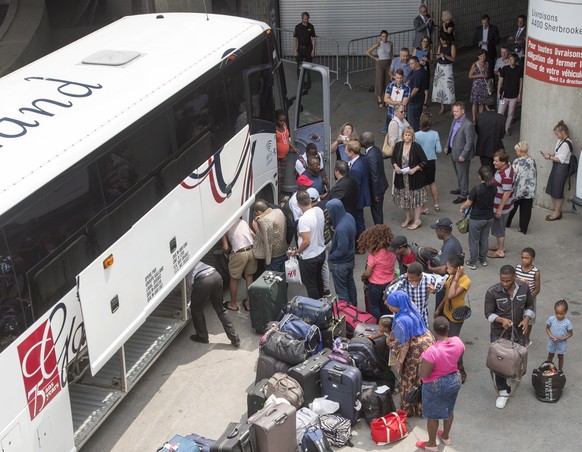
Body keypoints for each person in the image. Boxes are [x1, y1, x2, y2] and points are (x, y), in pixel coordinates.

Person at [484, 264, 534, 409]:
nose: (505, 283)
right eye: (502, 281)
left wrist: (526, 319)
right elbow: (488, 314)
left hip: (518, 332)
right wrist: (501, 320)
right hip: (499, 334)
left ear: (514, 278)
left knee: (516, 358)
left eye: (508, 281)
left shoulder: (524, 287)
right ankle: (503, 391)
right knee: (499, 362)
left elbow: (530, 305)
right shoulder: (492, 292)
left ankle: (512, 374)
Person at [415, 316, 464, 452]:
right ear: (448, 329)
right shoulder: (458, 342)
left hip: (435, 384)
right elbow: (458, 357)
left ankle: (431, 444)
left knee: (432, 416)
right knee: (449, 410)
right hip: (454, 379)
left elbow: (423, 374)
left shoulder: (431, 352)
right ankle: (446, 436)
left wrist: (421, 363)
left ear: (433, 332)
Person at [385, 290, 435, 416]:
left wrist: (391, 345)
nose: (387, 305)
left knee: (408, 378)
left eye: (389, 304)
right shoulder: (411, 306)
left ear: (397, 307)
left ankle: (407, 410)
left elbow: (401, 343)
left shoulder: (402, 321)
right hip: (427, 341)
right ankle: (422, 408)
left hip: (415, 349)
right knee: (422, 378)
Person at [433, 255, 470, 382]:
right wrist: (438, 309)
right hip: (447, 311)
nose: (447, 269)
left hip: (456, 315)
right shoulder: (451, 277)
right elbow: (446, 296)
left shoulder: (465, 281)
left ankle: (461, 367)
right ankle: (447, 364)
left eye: (449, 268)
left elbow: (451, 294)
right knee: (444, 339)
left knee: (454, 342)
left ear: (458, 269)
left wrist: (457, 278)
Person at [188, 262, 240, 346]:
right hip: (216, 276)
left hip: (203, 281)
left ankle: (202, 337)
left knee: (196, 310)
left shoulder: (186, 269)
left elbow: (191, 285)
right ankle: (235, 338)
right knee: (220, 309)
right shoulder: (197, 260)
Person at [386, 262, 446, 328]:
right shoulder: (403, 279)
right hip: (406, 316)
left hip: (422, 314)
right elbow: (389, 291)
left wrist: (434, 290)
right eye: (408, 276)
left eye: (412, 277)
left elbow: (442, 281)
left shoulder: (429, 279)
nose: (409, 279)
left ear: (420, 275)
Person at [290, 190, 326, 299]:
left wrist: (296, 251)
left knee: (310, 285)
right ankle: (322, 302)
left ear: (298, 204)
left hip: (309, 257)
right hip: (321, 252)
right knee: (318, 279)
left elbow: (306, 241)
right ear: (310, 200)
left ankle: (315, 308)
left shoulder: (303, 220)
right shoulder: (318, 210)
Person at [391, 127, 428, 230]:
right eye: (405, 135)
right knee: (404, 199)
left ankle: (417, 220)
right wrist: (396, 166)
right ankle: (408, 217)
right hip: (401, 178)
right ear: (402, 136)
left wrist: (415, 169)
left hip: (414, 179)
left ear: (412, 136)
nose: (407, 137)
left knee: (416, 200)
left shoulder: (416, 147)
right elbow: (393, 158)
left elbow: (424, 161)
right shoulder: (398, 145)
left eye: (409, 135)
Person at [460, 166, 496, 269]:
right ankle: (483, 259)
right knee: (484, 239)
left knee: (474, 241)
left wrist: (462, 207)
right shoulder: (494, 187)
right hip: (489, 218)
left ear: (480, 176)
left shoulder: (477, 188)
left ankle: (472, 262)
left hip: (477, 219)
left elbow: (468, 202)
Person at [358, 224, 396, 320]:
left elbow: (368, 273)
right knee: (385, 304)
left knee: (373, 305)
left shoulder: (374, 255)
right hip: (390, 282)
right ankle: (388, 321)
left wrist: (363, 276)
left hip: (375, 284)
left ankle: (380, 322)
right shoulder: (392, 251)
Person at [542, 120, 574, 221]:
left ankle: (557, 213)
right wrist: (551, 154)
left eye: (557, 133)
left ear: (562, 132)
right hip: (557, 167)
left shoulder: (566, 144)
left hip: (562, 168)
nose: (556, 135)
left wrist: (549, 157)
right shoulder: (561, 141)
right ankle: (556, 211)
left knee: (557, 191)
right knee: (553, 189)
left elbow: (561, 159)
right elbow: (558, 154)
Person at [444, 102, 475, 204]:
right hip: (454, 151)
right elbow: (451, 134)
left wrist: (463, 155)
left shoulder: (468, 125)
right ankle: (461, 188)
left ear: (463, 111)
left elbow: (469, 142)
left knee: (463, 174)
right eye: (453, 111)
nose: (454, 113)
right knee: (458, 172)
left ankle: (464, 194)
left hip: (461, 155)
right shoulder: (455, 120)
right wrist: (447, 146)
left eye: (456, 111)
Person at [327, 198, 357, 305]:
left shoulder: (341, 229)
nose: (329, 214)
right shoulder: (349, 217)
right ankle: (354, 309)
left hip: (341, 264)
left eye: (329, 211)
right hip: (350, 260)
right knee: (350, 285)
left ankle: (347, 314)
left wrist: (330, 257)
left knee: (342, 291)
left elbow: (341, 250)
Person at [222, 219, 256, 312]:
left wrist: (223, 251)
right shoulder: (242, 221)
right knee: (249, 276)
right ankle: (249, 303)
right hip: (251, 250)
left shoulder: (224, 226)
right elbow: (253, 235)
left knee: (234, 279)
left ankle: (233, 304)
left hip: (239, 253)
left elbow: (225, 247)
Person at [488, 149, 514, 259]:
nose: (494, 163)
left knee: (499, 229)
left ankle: (500, 251)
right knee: (500, 227)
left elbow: (507, 193)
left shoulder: (506, 175)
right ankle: (500, 246)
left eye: (496, 161)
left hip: (501, 207)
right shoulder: (506, 169)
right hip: (502, 205)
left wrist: (499, 209)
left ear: (503, 162)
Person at [506, 141, 537, 234]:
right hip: (529, 189)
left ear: (520, 151)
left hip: (518, 189)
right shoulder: (532, 160)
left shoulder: (517, 161)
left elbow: (513, 173)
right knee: (526, 210)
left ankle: (507, 222)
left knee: (512, 207)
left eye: (516, 151)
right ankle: (523, 228)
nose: (516, 152)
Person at [415, 112, 442, 213]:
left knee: (421, 185)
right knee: (432, 182)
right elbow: (439, 150)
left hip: (420, 162)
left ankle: (424, 207)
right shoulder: (435, 134)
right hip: (431, 161)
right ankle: (436, 204)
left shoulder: (416, 135)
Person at [360, 131, 388, 225]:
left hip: (377, 189)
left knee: (377, 213)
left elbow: (374, 175)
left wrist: (375, 194)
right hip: (382, 184)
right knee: (378, 211)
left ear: (364, 142)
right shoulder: (376, 150)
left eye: (361, 139)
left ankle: (380, 233)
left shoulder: (371, 156)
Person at [252, 200, 288, 273]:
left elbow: (266, 239)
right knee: (283, 276)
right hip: (283, 250)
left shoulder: (264, 220)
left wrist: (256, 228)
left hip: (273, 256)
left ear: (259, 212)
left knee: (273, 279)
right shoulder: (278, 211)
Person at [346, 139, 371, 239]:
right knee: (359, 219)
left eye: (347, 150)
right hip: (362, 196)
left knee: (358, 220)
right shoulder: (361, 159)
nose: (345, 152)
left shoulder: (355, 169)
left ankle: (361, 242)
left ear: (351, 152)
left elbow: (355, 187)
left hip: (357, 199)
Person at [516, 247, 541, 346]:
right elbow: (514, 282)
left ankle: (526, 338)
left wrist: (528, 299)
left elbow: (537, 289)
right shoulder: (517, 268)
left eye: (527, 258)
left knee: (529, 319)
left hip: (529, 300)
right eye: (522, 257)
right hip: (518, 298)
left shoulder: (536, 272)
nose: (524, 260)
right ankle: (518, 336)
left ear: (533, 259)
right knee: (518, 317)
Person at [475, 97, 505, 174]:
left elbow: (477, 130)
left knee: (485, 169)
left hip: (483, 146)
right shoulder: (501, 118)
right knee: (497, 169)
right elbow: (502, 134)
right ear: (495, 106)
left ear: (486, 106)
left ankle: (487, 184)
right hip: (496, 146)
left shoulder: (479, 116)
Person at [275, 110, 299, 201]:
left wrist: (293, 147)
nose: (282, 122)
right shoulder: (274, 129)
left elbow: (286, 139)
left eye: (284, 121)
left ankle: (279, 194)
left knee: (282, 177)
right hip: (277, 157)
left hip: (284, 156)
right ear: (276, 120)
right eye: (280, 121)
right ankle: (277, 195)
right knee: (278, 177)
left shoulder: (284, 126)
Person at [497, 53, 523, 135]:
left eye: (511, 59)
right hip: (504, 95)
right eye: (509, 59)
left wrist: (519, 94)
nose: (510, 60)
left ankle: (506, 128)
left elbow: (521, 82)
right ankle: (499, 128)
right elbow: (500, 81)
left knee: (510, 113)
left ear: (515, 61)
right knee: (500, 112)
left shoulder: (519, 69)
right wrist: (498, 92)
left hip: (514, 95)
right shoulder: (505, 68)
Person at [367, 30, 394, 108]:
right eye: (382, 36)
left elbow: (391, 54)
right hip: (380, 64)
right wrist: (375, 58)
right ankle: (379, 100)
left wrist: (394, 63)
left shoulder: (390, 44)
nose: (384, 38)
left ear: (387, 36)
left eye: (385, 36)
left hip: (388, 63)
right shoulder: (378, 44)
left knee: (387, 81)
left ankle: (386, 99)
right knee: (379, 81)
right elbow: (368, 52)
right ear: (380, 37)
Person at [546, 300, 573, 371]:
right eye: (556, 313)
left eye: (561, 313)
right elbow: (547, 328)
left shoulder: (567, 322)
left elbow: (570, 333)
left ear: (565, 312)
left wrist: (561, 339)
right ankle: (548, 369)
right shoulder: (551, 319)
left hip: (561, 343)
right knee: (550, 356)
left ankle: (560, 370)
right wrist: (551, 336)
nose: (558, 315)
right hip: (552, 342)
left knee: (560, 356)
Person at [432, 33, 456, 114]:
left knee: (448, 87)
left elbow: (453, 59)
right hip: (440, 67)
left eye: (443, 40)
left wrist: (445, 55)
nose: (441, 41)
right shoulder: (440, 46)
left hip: (447, 67)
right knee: (440, 87)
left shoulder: (452, 46)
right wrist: (438, 56)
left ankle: (452, 106)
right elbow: (437, 56)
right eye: (441, 40)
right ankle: (442, 106)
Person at [382, 69, 410, 134]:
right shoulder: (390, 85)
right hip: (390, 114)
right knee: (391, 134)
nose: (399, 80)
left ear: (403, 77)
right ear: (394, 77)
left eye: (401, 78)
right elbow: (385, 99)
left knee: (402, 134)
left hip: (402, 116)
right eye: (397, 78)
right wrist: (397, 102)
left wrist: (391, 101)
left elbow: (404, 103)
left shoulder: (407, 88)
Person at [407, 56, 430, 131]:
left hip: (415, 100)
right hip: (419, 99)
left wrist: (408, 97)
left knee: (413, 121)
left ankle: (414, 135)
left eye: (412, 64)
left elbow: (416, 88)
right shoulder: (419, 70)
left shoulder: (418, 74)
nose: (410, 65)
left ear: (417, 63)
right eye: (410, 64)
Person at [293, 12, 316, 83]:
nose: (306, 20)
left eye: (307, 19)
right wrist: (295, 50)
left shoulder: (311, 26)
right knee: (299, 66)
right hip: (300, 49)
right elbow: (295, 39)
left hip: (308, 49)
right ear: (302, 18)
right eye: (305, 19)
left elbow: (313, 38)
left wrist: (313, 50)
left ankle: (307, 81)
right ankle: (300, 81)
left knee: (308, 66)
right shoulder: (297, 27)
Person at [468, 49, 489, 123]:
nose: (483, 57)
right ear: (478, 56)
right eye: (481, 56)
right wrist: (479, 75)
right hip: (476, 86)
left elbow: (487, 74)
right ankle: (474, 118)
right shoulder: (474, 65)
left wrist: (485, 76)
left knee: (481, 103)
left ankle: (480, 117)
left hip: (483, 85)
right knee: (475, 102)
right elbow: (470, 76)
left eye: (484, 56)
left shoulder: (486, 64)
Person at [413, 36, 432, 108]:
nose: (425, 43)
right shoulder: (417, 49)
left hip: (425, 69)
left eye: (426, 41)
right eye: (423, 41)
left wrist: (427, 60)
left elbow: (432, 61)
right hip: (417, 68)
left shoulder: (429, 50)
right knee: (417, 84)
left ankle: (425, 102)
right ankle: (416, 98)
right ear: (421, 42)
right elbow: (413, 57)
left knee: (426, 85)